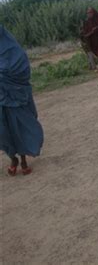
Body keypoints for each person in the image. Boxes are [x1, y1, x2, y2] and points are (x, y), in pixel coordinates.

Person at [1, 25, 44, 176]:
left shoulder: (13, 50)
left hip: (17, 97)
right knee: (4, 131)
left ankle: (24, 161)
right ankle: (13, 160)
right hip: (2, 99)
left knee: (21, 128)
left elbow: (23, 68)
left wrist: (4, 75)